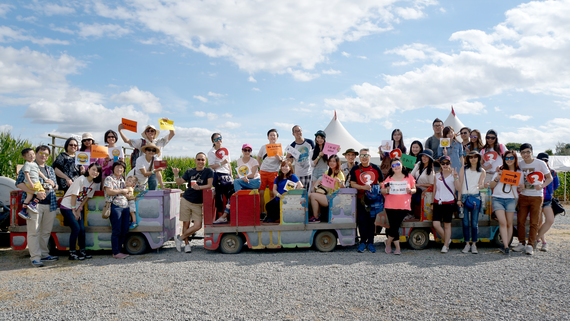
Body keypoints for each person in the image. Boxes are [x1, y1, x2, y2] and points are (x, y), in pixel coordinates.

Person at [15, 145, 59, 267]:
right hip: (34, 205)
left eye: (46, 154)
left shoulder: (50, 169)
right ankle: (35, 257)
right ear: (35, 154)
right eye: (41, 153)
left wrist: (53, 184)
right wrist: (36, 192)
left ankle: (44, 254)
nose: (43, 156)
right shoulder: (28, 167)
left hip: (50, 204)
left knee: (45, 232)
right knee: (33, 232)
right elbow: (18, 184)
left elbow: (56, 186)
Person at [513, 143, 553, 255]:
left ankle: (530, 245)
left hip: (537, 196)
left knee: (534, 222)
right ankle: (521, 243)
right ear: (520, 154)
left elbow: (549, 178)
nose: (525, 154)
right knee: (520, 220)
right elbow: (516, 177)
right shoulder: (520, 164)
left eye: (527, 152)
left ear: (532, 152)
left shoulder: (540, 163)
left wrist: (542, 186)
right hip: (523, 195)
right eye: (523, 152)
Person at [173, 153, 214, 253]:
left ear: (205, 161)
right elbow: (179, 182)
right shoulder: (189, 171)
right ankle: (187, 245)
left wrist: (199, 187)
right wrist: (176, 175)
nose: (200, 161)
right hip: (186, 200)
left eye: (202, 160)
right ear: (195, 160)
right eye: (198, 159)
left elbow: (209, 185)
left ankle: (179, 238)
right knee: (186, 224)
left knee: (198, 225)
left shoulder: (208, 171)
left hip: (198, 203)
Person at [60, 163, 101, 260]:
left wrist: (79, 209)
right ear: (88, 169)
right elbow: (74, 195)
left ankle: (82, 251)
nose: (95, 172)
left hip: (77, 207)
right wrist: (74, 210)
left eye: (97, 171)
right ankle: (72, 253)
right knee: (76, 228)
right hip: (67, 206)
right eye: (93, 169)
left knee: (82, 229)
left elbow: (86, 197)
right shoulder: (81, 179)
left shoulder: (94, 183)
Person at [118, 119, 175, 190]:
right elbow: (127, 140)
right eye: (148, 130)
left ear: (155, 133)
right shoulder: (141, 142)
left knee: (153, 184)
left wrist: (168, 123)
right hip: (141, 170)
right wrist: (120, 131)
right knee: (133, 191)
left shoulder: (160, 141)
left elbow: (172, 134)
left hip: (155, 167)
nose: (150, 132)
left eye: (152, 130)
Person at [350, 148, 384, 253]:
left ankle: (371, 242)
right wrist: (363, 187)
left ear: (370, 156)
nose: (364, 157)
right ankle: (362, 242)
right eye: (362, 155)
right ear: (359, 157)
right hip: (361, 200)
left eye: (366, 155)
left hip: (373, 200)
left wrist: (377, 189)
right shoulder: (355, 168)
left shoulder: (376, 168)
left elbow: (382, 182)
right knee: (362, 221)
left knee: (371, 222)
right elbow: (352, 183)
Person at [490, 150, 523, 255]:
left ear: (515, 159)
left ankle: (507, 246)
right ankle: (505, 246)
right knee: (502, 222)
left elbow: (521, 187)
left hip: (511, 199)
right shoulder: (500, 169)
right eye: (507, 158)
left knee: (509, 223)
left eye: (511, 158)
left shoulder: (519, 172)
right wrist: (498, 177)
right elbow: (491, 185)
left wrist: (521, 187)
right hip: (498, 198)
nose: (509, 160)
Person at [381, 158, 416, 255]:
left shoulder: (408, 177)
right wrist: (387, 190)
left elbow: (414, 189)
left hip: (404, 205)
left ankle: (388, 242)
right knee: (394, 226)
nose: (396, 167)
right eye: (393, 165)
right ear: (391, 168)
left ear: (401, 165)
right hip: (390, 205)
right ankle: (397, 248)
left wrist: (411, 191)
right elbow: (382, 191)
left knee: (395, 226)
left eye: (397, 164)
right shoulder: (389, 178)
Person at [457, 151, 486, 254]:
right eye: (471, 157)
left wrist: (484, 186)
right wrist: (459, 199)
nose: (473, 159)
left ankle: (474, 244)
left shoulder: (482, 171)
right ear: (468, 159)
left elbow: (480, 185)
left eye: (475, 157)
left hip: (476, 198)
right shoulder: (464, 168)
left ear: (478, 158)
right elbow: (460, 184)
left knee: (474, 223)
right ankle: (467, 243)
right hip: (465, 197)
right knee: (465, 222)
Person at [432, 156, 460, 253]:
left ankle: (445, 245)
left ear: (450, 164)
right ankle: (447, 240)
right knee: (436, 224)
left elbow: (458, 189)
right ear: (440, 164)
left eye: (447, 163)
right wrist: (432, 202)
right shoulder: (437, 175)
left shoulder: (454, 175)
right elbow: (435, 189)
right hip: (438, 201)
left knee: (447, 225)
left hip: (449, 202)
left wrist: (456, 178)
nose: (445, 165)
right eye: (443, 163)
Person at [103, 161, 131, 259]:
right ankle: (115, 252)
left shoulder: (122, 180)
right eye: (118, 167)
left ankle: (119, 250)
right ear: (113, 168)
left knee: (124, 230)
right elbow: (109, 191)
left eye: (122, 168)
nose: (119, 169)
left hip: (125, 207)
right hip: (115, 206)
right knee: (117, 230)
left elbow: (126, 194)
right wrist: (122, 191)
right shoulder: (109, 179)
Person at [308, 155, 345, 223]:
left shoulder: (340, 173)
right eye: (330, 161)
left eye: (334, 161)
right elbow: (323, 185)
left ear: (337, 163)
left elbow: (343, 187)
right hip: (326, 194)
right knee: (309, 195)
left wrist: (339, 182)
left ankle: (316, 217)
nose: (331, 163)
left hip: (334, 197)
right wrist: (318, 184)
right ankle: (315, 215)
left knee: (313, 196)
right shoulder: (326, 172)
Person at [208, 133, 235, 224]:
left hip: (227, 175)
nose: (218, 140)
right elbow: (211, 166)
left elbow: (229, 164)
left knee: (231, 196)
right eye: (216, 139)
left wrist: (231, 176)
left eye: (220, 138)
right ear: (213, 141)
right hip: (218, 175)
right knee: (219, 197)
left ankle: (229, 215)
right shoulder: (211, 152)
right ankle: (220, 216)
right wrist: (221, 163)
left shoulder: (226, 150)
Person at [257, 129, 284, 219]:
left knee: (273, 193)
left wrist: (279, 158)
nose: (272, 137)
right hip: (263, 172)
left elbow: (282, 162)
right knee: (261, 192)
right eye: (271, 135)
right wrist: (260, 167)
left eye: (274, 135)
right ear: (268, 137)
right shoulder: (264, 147)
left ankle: (271, 213)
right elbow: (258, 158)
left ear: (277, 137)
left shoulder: (279, 148)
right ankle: (262, 212)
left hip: (274, 172)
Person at [536, 152, 560, 252]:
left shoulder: (552, 172)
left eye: (545, 160)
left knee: (550, 220)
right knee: (539, 222)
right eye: (542, 160)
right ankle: (544, 242)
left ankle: (536, 239)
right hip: (537, 198)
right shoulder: (535, 172)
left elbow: (556, 185)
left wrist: (549, 192)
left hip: (547, 200)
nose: (544, 162)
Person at [17, 148, 49, 220]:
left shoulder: (34, 164)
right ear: (25, 157)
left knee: (29, 197)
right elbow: (26, 174)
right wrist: (31, 182)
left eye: (33, 154)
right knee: (43, 192)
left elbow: (38, 172)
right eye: (29, 155)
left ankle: (23, 210)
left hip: (30, 184)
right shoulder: (27, 164)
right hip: (34, 182)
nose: (32, 156)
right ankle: (33, 204)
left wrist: (45, 178)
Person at [410, 149, 435, 216]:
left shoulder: (431, 170)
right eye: (423, 156)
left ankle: (416, 215)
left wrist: (419, 185)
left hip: (425, 191)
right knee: (410, 196)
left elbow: (432, 184)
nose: (424, 158)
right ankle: (409, 214)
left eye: (426, 157)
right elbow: (411, 175)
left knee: (418, 200)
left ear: (430, 158)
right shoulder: (419, 164)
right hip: (416, 188)